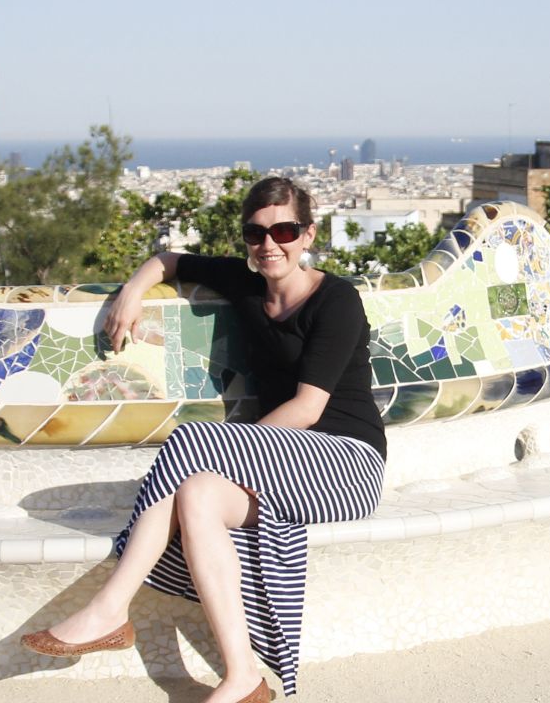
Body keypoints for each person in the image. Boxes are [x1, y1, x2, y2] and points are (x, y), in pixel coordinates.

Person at [21, 177, 387, 703]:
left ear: (307, 235)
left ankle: (110, 607)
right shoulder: (245, 284)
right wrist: (131, 293)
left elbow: (308, 408)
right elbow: (170, 261)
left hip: (347, 465)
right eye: (255, 233)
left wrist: (235, 451)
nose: (269, 244)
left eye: (283, 230)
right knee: (195, 494)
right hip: (284, 464)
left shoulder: (336, 299)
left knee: (194, 441)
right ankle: (243, 677)